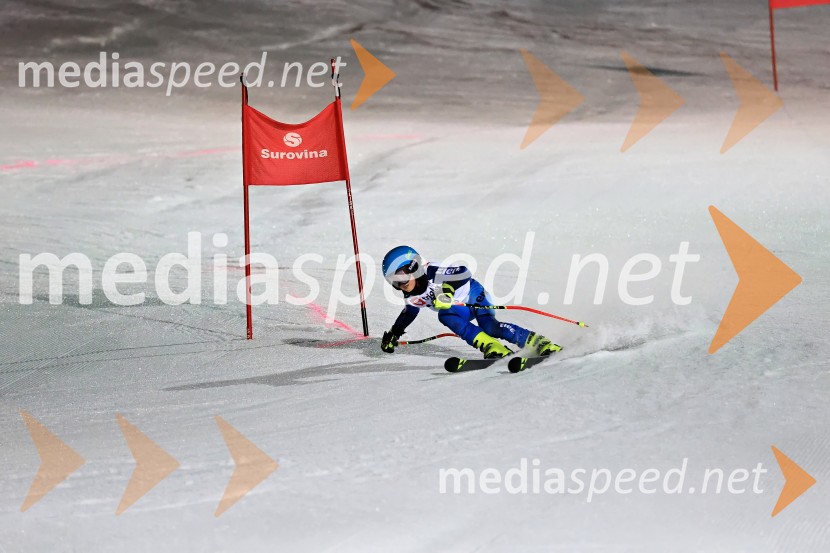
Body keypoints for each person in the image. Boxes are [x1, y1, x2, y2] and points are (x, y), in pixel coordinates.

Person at [379, 245, 560, 358]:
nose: (399, 285)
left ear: (414, 267)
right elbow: (410, 312)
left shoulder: (433, 271)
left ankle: (538, 342)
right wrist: (394, 333)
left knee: (490, 326)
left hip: (474, 296)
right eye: (393, 281)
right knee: (445, 315)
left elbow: (464, 272)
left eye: (400, 278)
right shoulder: (411, 295)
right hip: (458, 310)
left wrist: (446, 292)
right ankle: (491, 346)